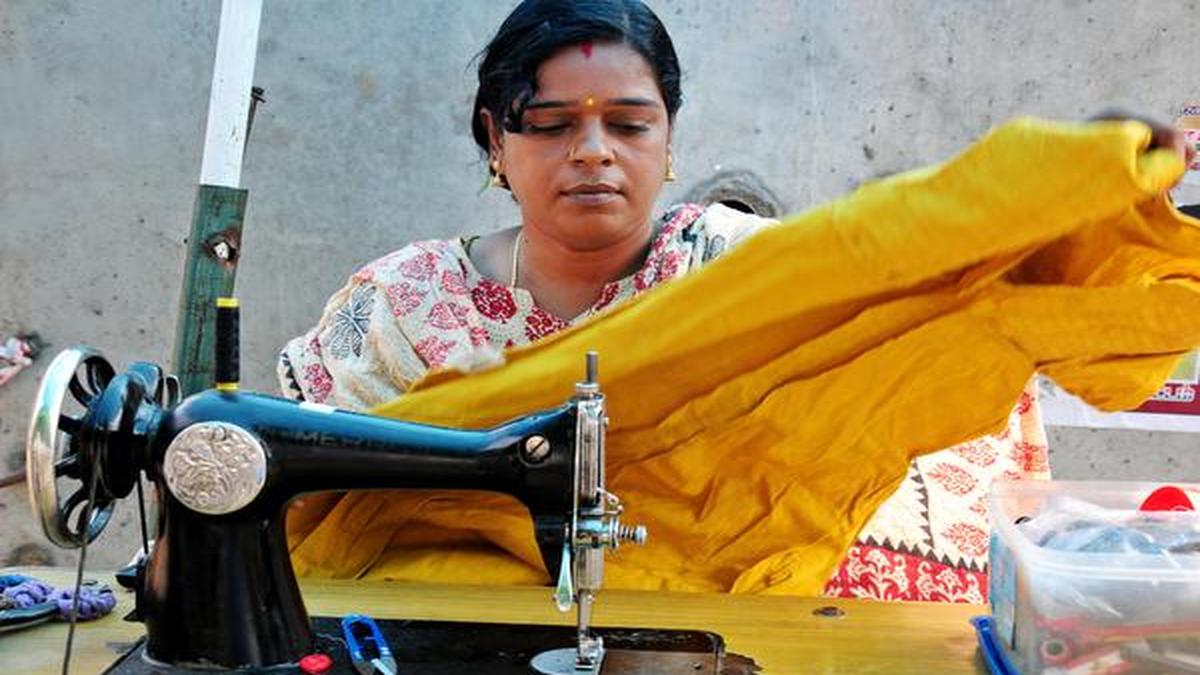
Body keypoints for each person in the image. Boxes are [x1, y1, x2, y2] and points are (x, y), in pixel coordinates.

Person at [279, 0, 1192, 600]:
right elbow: (307, 519)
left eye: (629, 125)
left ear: (669, 138)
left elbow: (911, 281)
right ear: (494, 140)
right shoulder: (396, 304)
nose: (594, 151)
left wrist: (1070, 195)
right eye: (553, 125)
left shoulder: (743, 271)